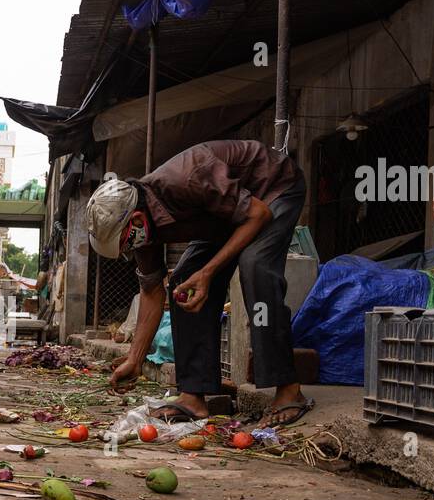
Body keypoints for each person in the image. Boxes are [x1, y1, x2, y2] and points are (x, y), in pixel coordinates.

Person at [89, 139, 313, 428]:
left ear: (133, 219)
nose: (126, 250)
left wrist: (208, 273)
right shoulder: (141, 233)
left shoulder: (188, 178)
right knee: (183, 282)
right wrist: (135, 359)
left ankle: (288, 388)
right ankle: (193, 396)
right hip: (226, 215)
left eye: (123, 243)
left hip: (272, 190)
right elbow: (151, 290)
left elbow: (258, 215)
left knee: (255, 267)